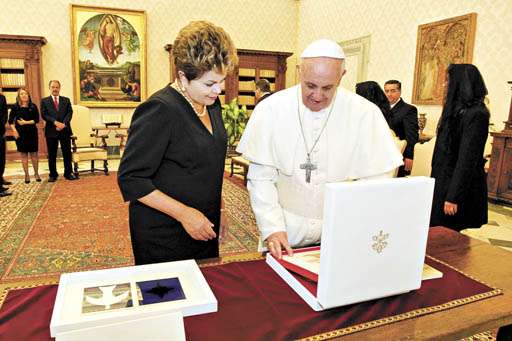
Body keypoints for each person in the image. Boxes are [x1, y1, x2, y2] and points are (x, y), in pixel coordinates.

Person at [237, 39, 403, 259]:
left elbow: (377, 179)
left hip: (341, 230)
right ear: (299, 71)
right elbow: (261, 178)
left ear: (341, 76)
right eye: (310, 85)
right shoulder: (271, 109)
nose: (317, 96)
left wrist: (351, 222)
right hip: (285, 228)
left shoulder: (364, 113)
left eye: (327, 88)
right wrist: (272, 227)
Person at [118, 21, 237, 265]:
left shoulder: (211, 104)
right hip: (164, 232)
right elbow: (131, 178)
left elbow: (210, 166)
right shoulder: (160, 109)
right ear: (182, 76)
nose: (219, 90)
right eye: (209, 83)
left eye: (222, 80)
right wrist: (185, 215)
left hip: (204, 223)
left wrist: (220, 209)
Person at [430, 64, 489, 231]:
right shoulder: (457, 111)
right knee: (438, 231)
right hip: (444, 181)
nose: (445, 85)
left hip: (457, 189)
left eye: (448, 81)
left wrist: (453, 197)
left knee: (450, 238)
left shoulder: (477, 114)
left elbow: (467, 159)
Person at [41, 80, 76, 181]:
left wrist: (63, 124)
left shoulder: (66, 100)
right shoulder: (44, 101)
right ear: (50, 88)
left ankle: (68, 173)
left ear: (59, 88)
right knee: (52, 153)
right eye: (53, 87)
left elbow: (70, 113)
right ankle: (53, 174)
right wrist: (55, 123)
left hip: (65, 130)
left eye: (57, 87)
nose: (55, 89)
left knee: (67, 153)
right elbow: (44, 114)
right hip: (51, 130)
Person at [384, 80, 419, 177]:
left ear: (400, 91)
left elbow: (411, 135)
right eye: (386, 91)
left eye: (393, 91)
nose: (389, 94)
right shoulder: (382, 108)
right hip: (383, 154)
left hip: (399, 155)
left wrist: (409, 156)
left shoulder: (408, 109)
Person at [8, 88, 41, 183]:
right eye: (22, 94)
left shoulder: (33, 106)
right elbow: (10, 121)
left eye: (26, 93)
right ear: (19, 96)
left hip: (32, 133)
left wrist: (25, 122)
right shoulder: (15, 107)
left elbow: (37, 120)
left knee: (34, 154)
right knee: (24, 155)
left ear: (28, 95)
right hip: (20, 134)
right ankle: (26, 175)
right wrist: (14, 131)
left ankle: (36, 173)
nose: (24, 95)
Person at [0, 92, 12, 197]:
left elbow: (5, 114)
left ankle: (0, 180)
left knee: (1, 159)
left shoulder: (2, 98)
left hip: (0, 132)